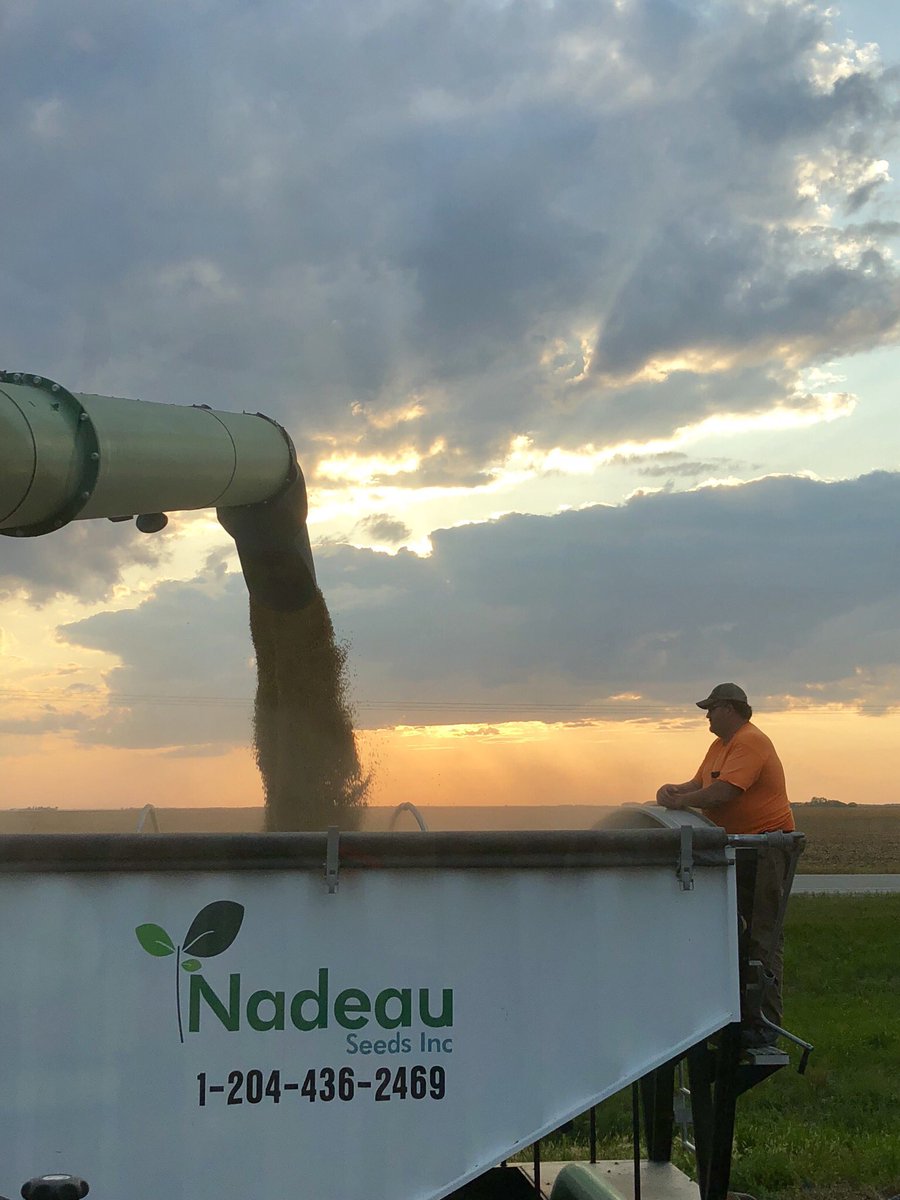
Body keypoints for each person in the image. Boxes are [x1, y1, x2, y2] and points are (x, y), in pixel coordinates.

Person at [656, 683, 796, 1047]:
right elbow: (699, 784)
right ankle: (737, 1018)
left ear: (731, 709)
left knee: (762, 935)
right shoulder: (720, 746)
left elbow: (724, 793)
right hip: (741, 847)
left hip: (767, 846)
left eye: (712, 708)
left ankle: (763, 1026)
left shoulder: (750, 742)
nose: (706, 715)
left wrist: (681, 801)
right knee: (735, 933)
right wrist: (672, 791)